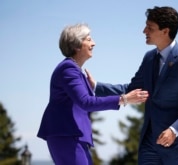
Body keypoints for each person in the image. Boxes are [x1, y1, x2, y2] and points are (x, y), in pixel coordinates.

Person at [86, 6, 178, 165]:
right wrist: (96, 86)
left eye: (150, 27)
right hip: (149, 145)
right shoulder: (149, 58)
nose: (144, 31)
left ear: (165, 31)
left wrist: (174, 130)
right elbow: (131, 90)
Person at [36, 23, 149, 165]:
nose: (93, 43)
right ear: (76, 45)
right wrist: (124, 99)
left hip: (72, 135)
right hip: (66, 135)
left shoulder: (75, 70)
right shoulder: (68, 68)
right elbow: (86, 102)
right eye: (88, 39)